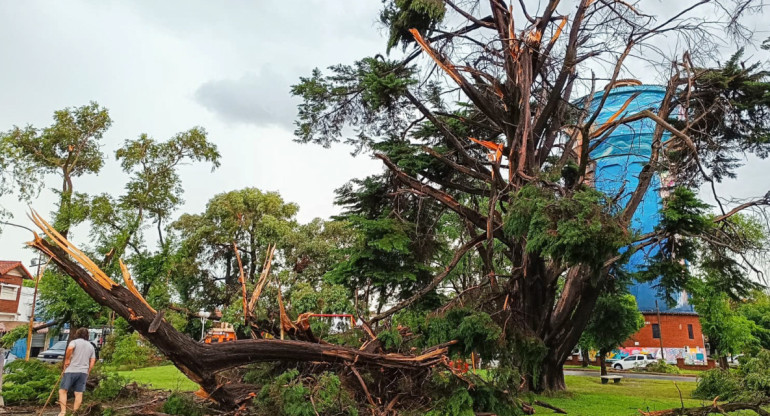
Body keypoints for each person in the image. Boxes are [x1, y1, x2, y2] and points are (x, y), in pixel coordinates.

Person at [58, 328, 95, 416]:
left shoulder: (74, 342)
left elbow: (70, 349)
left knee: (63, 390)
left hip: (71, 370)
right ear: (87, 335)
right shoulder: (91, 346)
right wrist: (88, 370)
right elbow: (93, 360)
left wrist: (67, 360)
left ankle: (63, 412)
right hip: (83, 372)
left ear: (77, 334)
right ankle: (75, 413)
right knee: (79, 393)